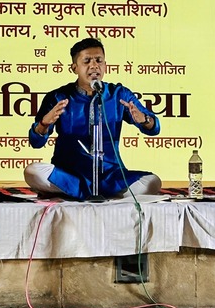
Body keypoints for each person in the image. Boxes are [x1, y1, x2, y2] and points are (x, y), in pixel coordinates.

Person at [24, 38, 161, 200]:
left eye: (99, 61)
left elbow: (154, 128)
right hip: (70, 174)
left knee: (152, 182)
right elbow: (36, 142)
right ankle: (94, 193)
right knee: (33, 171)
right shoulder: (58, 97)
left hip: (110, 175)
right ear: (74, 68)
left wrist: (144, 119)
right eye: (87, 61)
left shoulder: (119, 94)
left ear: (105, 66)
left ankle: (76, 193)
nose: (94, 65)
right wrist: (43, 124)